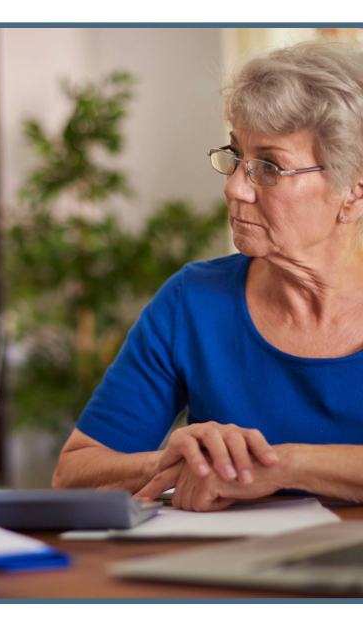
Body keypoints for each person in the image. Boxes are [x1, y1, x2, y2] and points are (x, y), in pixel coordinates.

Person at [53, 41, 363, 512]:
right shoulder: (193, 300)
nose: (234, 186)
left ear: (353, 188)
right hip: (229, 575)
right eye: (236, 156)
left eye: (269, 167)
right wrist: (173, 463)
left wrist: (281, 465)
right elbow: (72, 474)